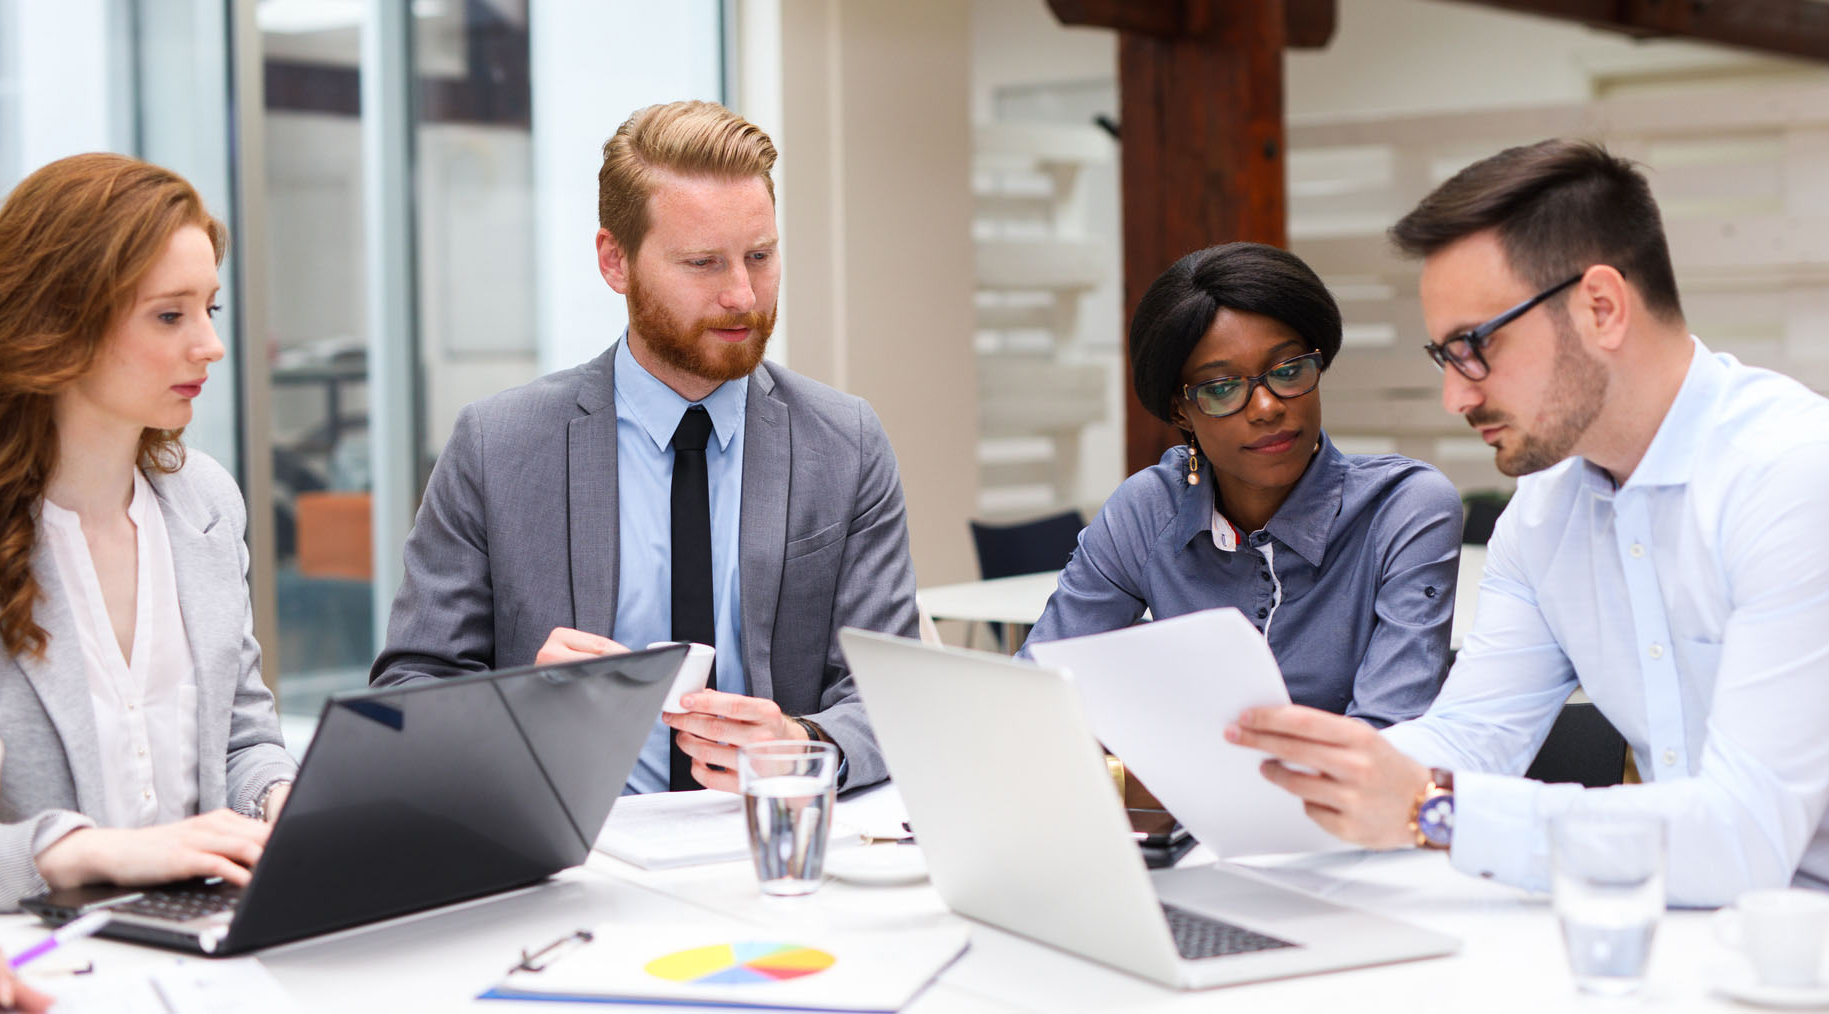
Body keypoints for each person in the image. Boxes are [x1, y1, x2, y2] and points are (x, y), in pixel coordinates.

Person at [1226, 139, 1829, 907]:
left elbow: (1742, 838)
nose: (1456, 397)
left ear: (1600, 308)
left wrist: (1432, 810)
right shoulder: (1545, 511)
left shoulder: (1791, 476)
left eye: (1473, 347)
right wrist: (1310, 775)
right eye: (1441, 356)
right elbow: (1470, 737)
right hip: (1692, 934)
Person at [371, 101, 918, 794]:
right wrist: (521, 709)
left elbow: (892, 695)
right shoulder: (497, 447)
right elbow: (405, 695)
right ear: (614, 261)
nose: (742, 295)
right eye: (702, 264)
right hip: (575, 858)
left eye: (759, 256)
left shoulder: (846, 443)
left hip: (772, 846)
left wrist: (802, 743)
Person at [0, 154, 298, 912]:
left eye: (211, 310)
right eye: (170, 315)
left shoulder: (205, 501)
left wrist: (276, 797)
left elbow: (242, 734)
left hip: (202, 935)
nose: (210, 346)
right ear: (57, 319)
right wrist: (79, 851)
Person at [1020, 243, 1461, 727]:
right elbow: (1037, 693)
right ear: (1179, 410)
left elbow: (1388, 734)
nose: (1268, 407)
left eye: (1289, 370)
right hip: (1185, 801)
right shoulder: (1148, 511)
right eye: (1221, 387)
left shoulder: (1403, 509)